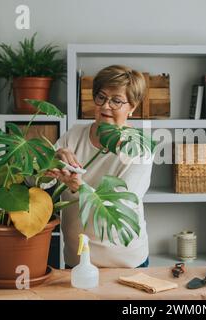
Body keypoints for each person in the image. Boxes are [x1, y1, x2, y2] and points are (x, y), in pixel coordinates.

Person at [45, 65, 153, 268]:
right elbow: (37, 180)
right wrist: (50, 159)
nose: (105, 106)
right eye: (101, 97)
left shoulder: (139, 148)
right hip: (77, 260)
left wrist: (79, 187)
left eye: (116, 101)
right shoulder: (75, 135)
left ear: (132, 107)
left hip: (125, 263)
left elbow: (121, 205)